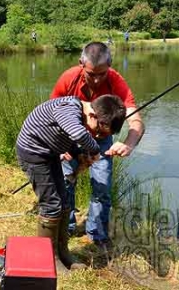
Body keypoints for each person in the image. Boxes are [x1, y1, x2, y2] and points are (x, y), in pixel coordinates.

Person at [16, 94, 127, 272]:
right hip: (33, 155)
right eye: (99, 131)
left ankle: (62, 252)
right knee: (51, 205)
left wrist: (79, 154)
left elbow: (71, 138)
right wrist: (95, 151)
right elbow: (77, 133)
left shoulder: (81, 116)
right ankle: (48, 260)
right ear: (93, 115)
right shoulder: (69, 107)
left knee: (64, 201)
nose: (97, 135)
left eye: (101, 135)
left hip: (49, 154)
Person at [50, 42, 145, 244]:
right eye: (91, 74)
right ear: (81, 64)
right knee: (65, 183)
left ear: (109, 65)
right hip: (69, 140)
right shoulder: (69, 78)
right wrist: (57, 149)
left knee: (102, 188)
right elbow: (52, 113)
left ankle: (97, 235)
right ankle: (66, 228)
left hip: (102, 143)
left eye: (102, 74)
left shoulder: (116, 81)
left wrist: (128, 143)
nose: (96, 79)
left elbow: (135, 120)